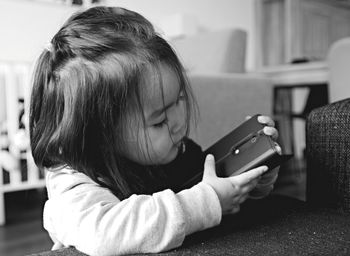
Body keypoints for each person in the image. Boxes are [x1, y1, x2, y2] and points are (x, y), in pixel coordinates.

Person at [29, 6, 280, 256]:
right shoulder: (74, 184)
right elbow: (105, 235)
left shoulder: (175, 151)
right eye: (159, 121)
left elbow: (217, 191)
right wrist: (206, 201)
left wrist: (254, 174)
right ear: (102, 138)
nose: (179, 121)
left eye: (179, 99)